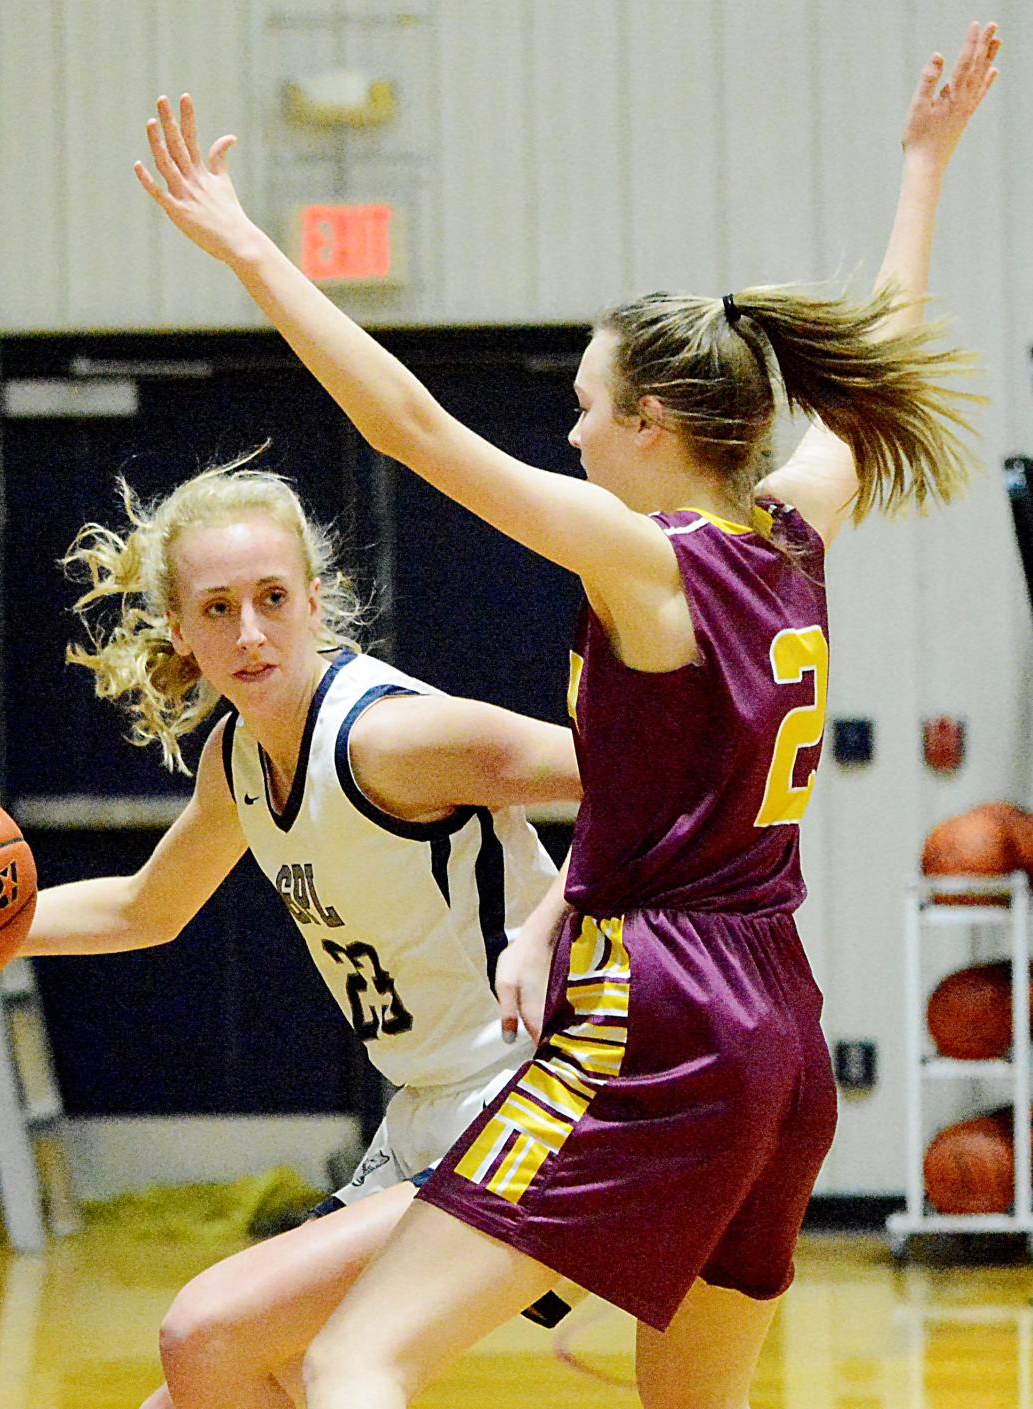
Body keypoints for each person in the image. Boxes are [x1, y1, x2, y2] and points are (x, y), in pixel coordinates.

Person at [134, 18, 1000, 1409]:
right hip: (775, 1017)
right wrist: (921, 166)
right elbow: (871, 362)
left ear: (653, 421)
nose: (573, 434)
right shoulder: (790, 528)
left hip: (652, 1011)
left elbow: (411, 428)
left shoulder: (645, 561)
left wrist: (249, 251)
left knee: (360, 1355)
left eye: (588, 408)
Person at [13, 456, 582, 1409]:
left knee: (214, 1336)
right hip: (435, 1106)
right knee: (202, 1385)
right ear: (183, 633)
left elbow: (650, 776)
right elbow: (145, 907)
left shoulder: (388, 739)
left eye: (273, 597)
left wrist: (550, 922)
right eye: (217, 608)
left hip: (547, 1094)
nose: (249, 631)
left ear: (316, 603)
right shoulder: (238, 757)